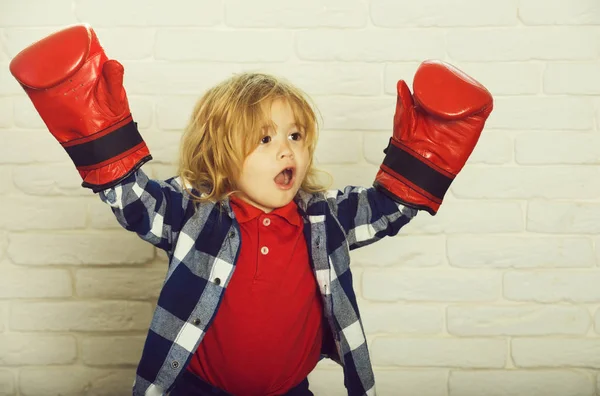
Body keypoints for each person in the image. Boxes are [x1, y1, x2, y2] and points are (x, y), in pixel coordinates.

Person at [9, 24, 493, 396]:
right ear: (220, 154)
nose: (287, 150)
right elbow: (135, 199)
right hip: (196, 388)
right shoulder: (194, 213)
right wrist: (99, 136)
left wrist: (425, 156)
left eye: (295, 135)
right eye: (264, 139)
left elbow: (387, 208)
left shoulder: (324, 220)